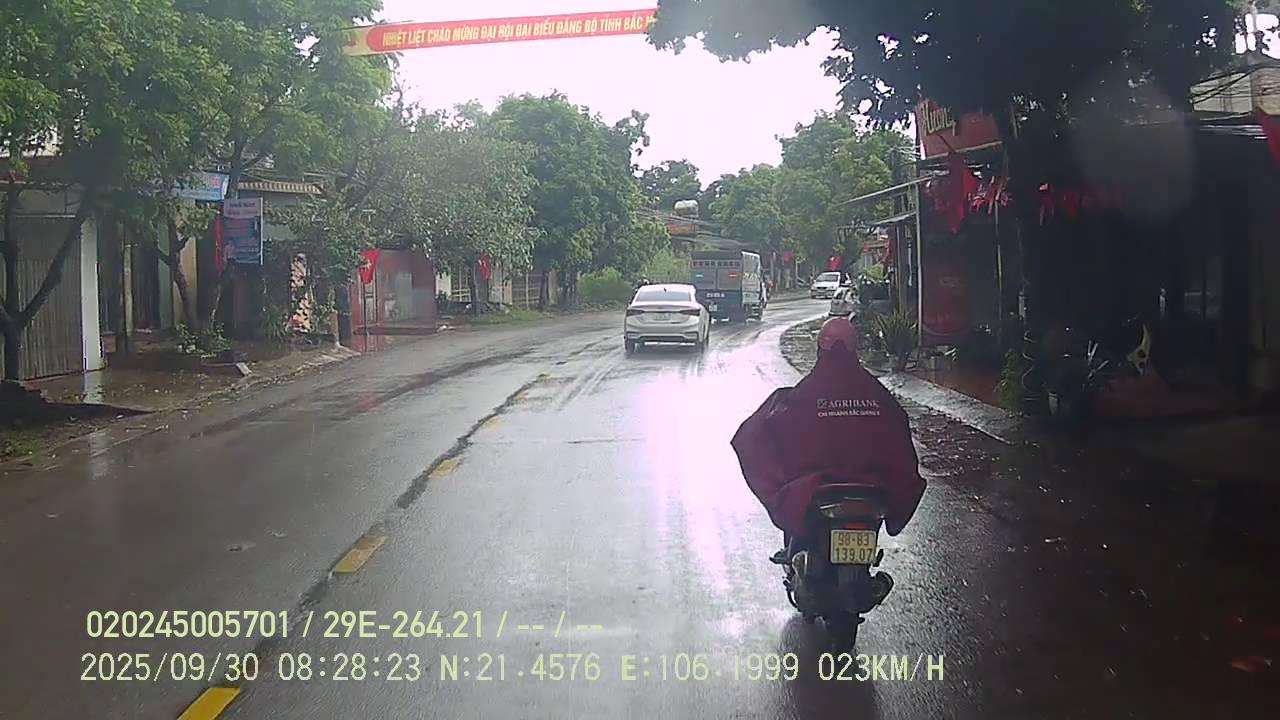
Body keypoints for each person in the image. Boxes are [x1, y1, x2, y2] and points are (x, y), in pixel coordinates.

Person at [730, 317, 925, 564]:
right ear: (855, 346)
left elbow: (763, 432)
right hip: (873, 487)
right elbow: (897, 430)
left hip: (816, 488)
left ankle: (795, 551)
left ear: (821, 345)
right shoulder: (876, 394)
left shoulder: (805, 394)